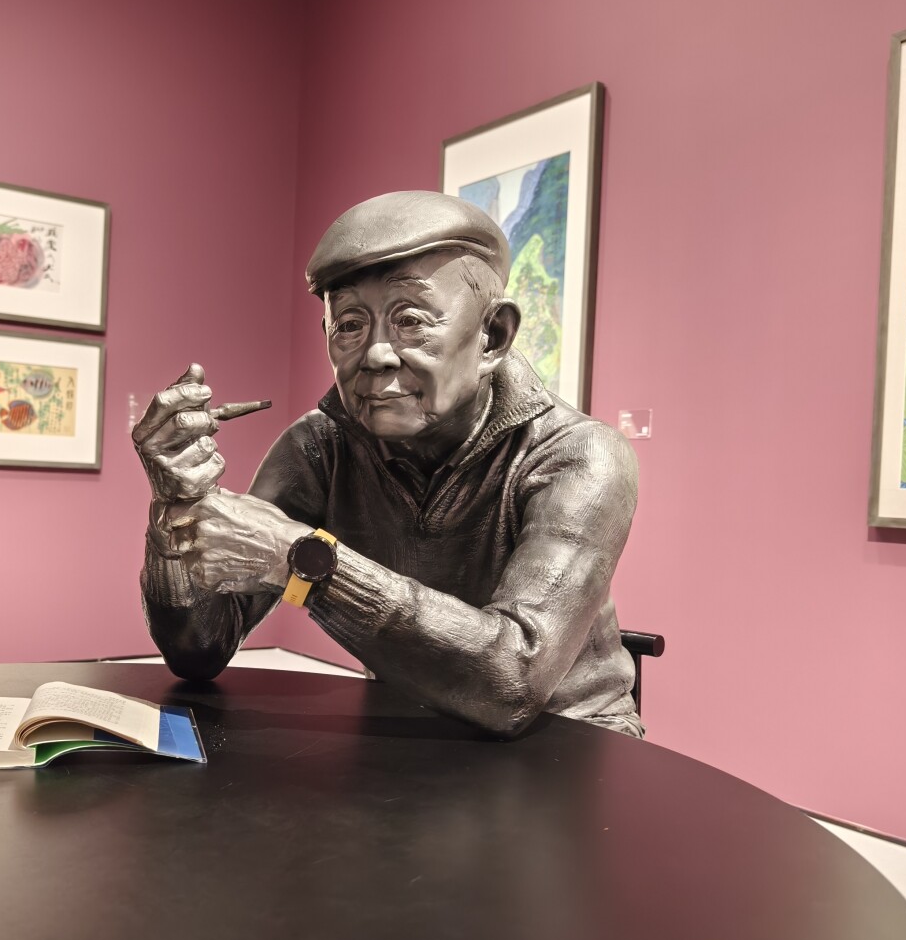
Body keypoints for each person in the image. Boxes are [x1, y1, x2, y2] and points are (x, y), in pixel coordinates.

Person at [135, 191, 641, 737]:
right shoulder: (321, 447)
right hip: (410, 731)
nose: (375, 355)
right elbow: (200, 651)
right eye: (350, 324)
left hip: (567, 742)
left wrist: (303, 560)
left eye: (411, 320)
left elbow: (512, 682)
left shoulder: (580, 456)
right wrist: (177, 508)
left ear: (492, 336)